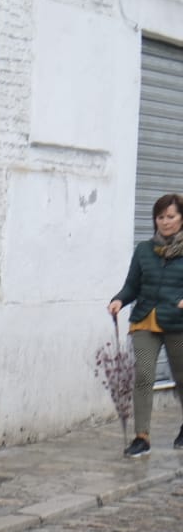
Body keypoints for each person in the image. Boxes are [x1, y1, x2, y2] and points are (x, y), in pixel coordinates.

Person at [108, 192, 183, 457]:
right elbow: (132, 285)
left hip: (177, 322)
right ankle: (142, 437)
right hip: (144, 320)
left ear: (181, 219)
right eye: (160, 217)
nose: (165, 222)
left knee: (181, 378)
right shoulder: (143, 250)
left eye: (171, 216)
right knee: (144, 376)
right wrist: (119, 299)